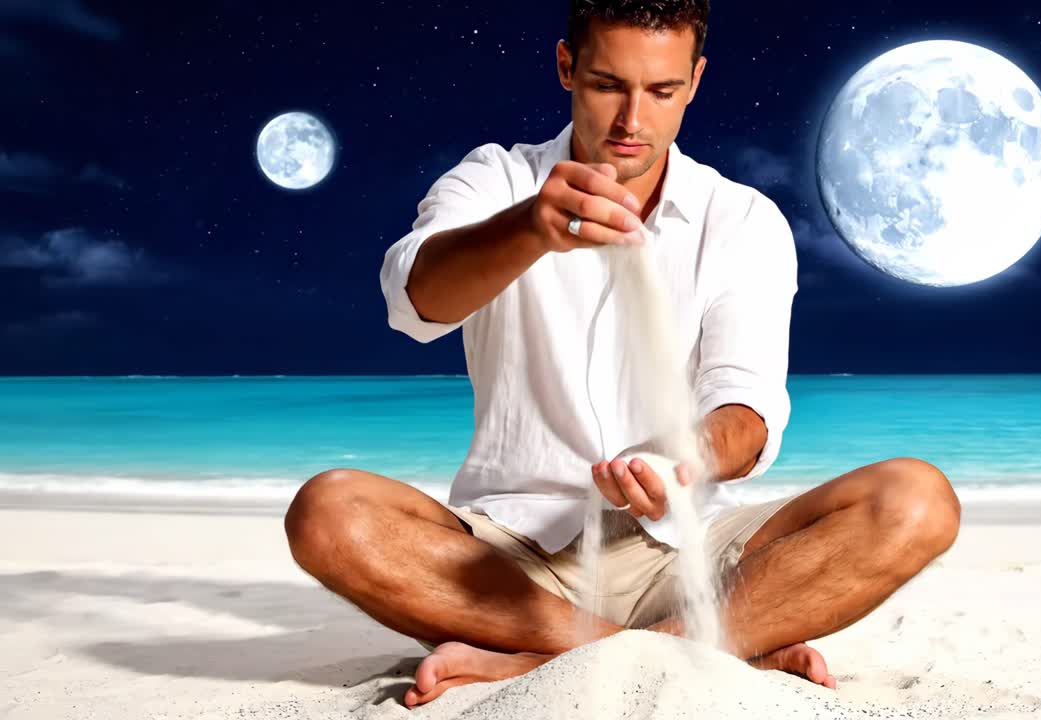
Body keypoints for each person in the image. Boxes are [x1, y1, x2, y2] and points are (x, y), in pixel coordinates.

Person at [284, 0, 961, 708]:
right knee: (329, 514)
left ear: (695, 81)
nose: (632, 120)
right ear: (566, 67)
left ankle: (556, 656)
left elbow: (748, 408)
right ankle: (704, 648)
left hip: (690, 555)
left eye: (662, 91)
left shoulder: (743, 220)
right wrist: (530, 228)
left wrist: (685, 458)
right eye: (608, 85)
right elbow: (413, 300)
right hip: (515, 561)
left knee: (916, 502)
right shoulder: (498, 181)